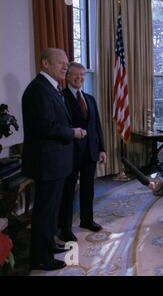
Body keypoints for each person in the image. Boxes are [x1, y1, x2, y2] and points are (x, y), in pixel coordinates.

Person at [22, 48, 86, 271]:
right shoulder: (38, 89)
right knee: (44, 212)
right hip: (47, 162)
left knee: (51, 211)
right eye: (60, 62)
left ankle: (49, 245)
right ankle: (40, 258)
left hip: (55, 162)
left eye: (66, 63)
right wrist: (73, 133)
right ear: (45, 63)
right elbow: (45, 127)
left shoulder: (50, 88)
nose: (64, 66)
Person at [58, 62, 106, 243]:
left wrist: (102, 148)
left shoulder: (90, 98)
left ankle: (87, 220)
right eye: (75, 75)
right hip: (70, 152)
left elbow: (96, 126)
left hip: (91, 151)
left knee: (88, 188)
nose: (79, 78)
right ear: (68, 76)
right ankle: (65, 228)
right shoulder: (60, 97)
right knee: (68, 191)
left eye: (82, 75)